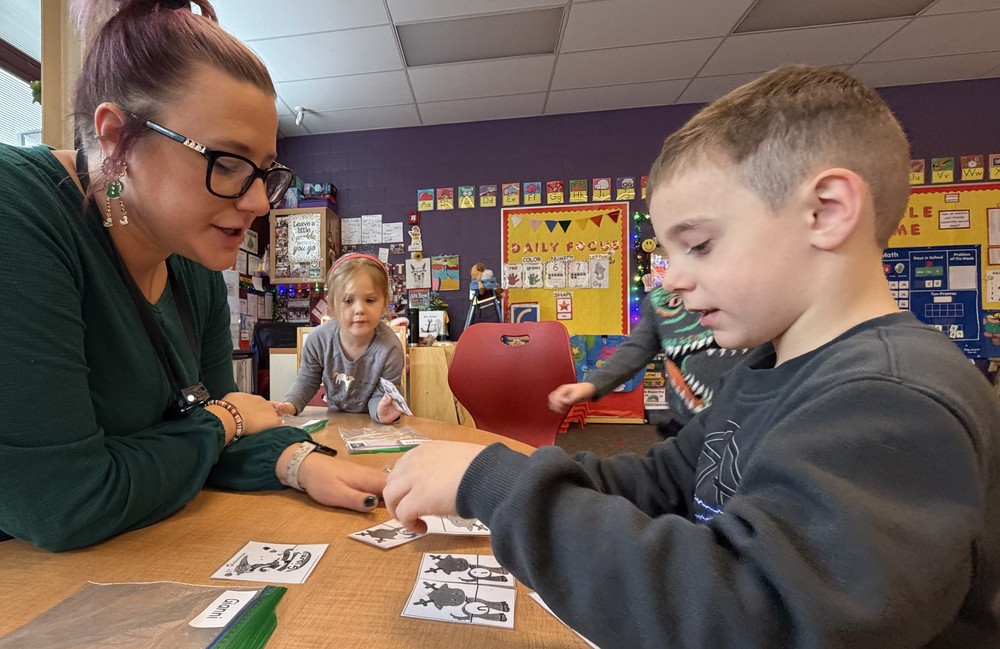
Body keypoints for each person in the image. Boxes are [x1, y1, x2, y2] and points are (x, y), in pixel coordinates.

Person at [383, 65, 1000, 648]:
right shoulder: (762, 372)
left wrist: (497, 485)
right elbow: (656, 484)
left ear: (827, 211)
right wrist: (486, 473)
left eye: (699, 245)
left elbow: (756, 616)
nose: (672, 280)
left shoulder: (893, 399)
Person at [0, 0, 386, 552]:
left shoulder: (194, 263)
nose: (257, 200)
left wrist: (293, 460)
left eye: (265, 172)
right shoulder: (19, 214)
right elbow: (64, 500)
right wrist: (224, 419)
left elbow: (221, 443)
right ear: (115, 138)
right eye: (227, 162)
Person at [548, 284, 747, 436]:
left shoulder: (746, 290)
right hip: (687, 427)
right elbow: (637, 348)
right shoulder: (661, 299)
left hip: (748, 425)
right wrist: (591, 385)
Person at [272, 254, 405, 423]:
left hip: (374, 425)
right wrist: (289, 406)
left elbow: (382, 394)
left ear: (385, 302)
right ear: (332, 304)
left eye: (370, 300)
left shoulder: (391, 348)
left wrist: (382, 413)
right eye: (348, 301)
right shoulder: (318, 340)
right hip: (335, 421)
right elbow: (307, 381)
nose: (360, 309)